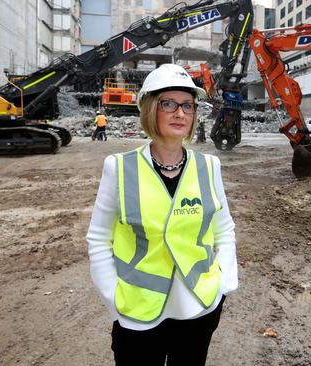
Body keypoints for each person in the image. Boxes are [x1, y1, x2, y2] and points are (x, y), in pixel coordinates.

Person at [87, 63, 237, 366]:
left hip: (198, 309)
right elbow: (99, 239)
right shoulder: (119, 167)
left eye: (187, 105)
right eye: (168, 104)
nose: (180, 113)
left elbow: (224, 231)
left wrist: (224, 285)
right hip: (139, 314)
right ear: (150, 109)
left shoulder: (210, 167)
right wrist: (114, 300)